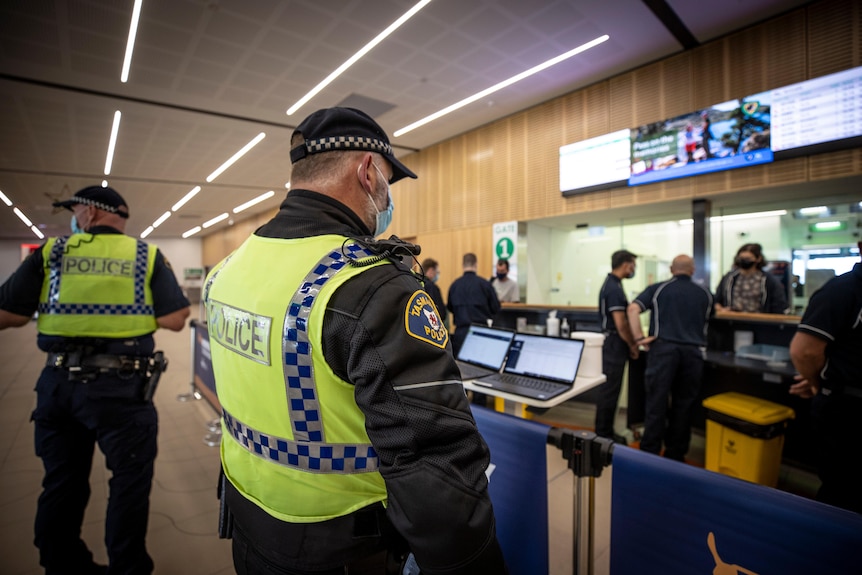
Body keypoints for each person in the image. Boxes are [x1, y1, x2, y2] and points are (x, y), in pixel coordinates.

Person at [204, 107, 507, 574]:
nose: (388, 194)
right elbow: (432, 463)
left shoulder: (228, 269)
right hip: (342, 546)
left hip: (248, 521)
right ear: (368, 171)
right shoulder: (371, 288)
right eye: (389, 177)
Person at [0, 185, 191, 575]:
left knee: (62, 483)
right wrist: (126, 322)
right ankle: (128, 567)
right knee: (128, 484)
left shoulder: (54, 252)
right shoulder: (145, 254)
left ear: (87, 213)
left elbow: (9, 314)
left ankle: (63, 565)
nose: (72, 218)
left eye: (73, 211)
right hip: (121, 388)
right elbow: (175, 319)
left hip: (57, 383)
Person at [788, 240, 862, 514]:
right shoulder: (844, 291)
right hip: (848, 410)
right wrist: (820, 384)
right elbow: (804, 352)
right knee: (843, 493)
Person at [627, 255, 714, 461]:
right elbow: (716, 314)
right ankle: (676, 454)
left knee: (656, 402)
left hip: (663, 351)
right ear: (692, 270)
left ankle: (650, 452)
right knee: (684, 405)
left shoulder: (658, 289)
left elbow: (632, 309)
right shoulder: (706, 294)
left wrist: (639, 338)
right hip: (693, 353)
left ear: (671, 269)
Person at [594, 249, 639, 443]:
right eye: (633, 265)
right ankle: (604, 434)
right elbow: (620, 323)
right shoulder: (613, 288)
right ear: (626, 264)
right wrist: (632, 343)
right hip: (614, 344)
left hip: (612, 343)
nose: (634, 269)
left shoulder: (613, 285)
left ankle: (605, 431)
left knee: (610, 390)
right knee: (610, 391)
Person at [447, 253, 501, 356]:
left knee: (461, 366)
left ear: (463, 265)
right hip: (481, 333)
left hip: (460, 333)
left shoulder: (454, 286)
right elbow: (496, 308)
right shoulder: (485, 285)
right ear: (476, 265)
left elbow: (450, 307)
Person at [715, 243, 788, 314]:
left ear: (758, 259)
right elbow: (717, 300)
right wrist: (721, 309)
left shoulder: (768, 280)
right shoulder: (729, 278)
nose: (744, 261)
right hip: (731, 321)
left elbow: (779, 305)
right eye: (741, 258)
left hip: (760, 322)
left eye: (748, 258)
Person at [418, 257, 447, 328]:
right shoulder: (432, 287)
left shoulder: (416, 284)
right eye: (437, 272)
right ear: (431, 271)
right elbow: (441, 313)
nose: (437, 275)